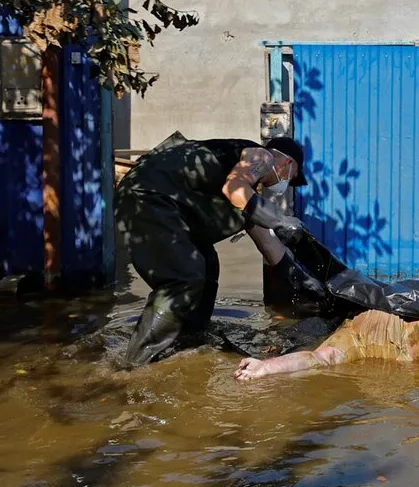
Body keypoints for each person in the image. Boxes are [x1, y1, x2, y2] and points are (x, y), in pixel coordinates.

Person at [115, 132, 310, 368]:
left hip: (164, 201)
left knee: (207, 264)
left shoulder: (248, 191)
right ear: (288, 163)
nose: (287, 183)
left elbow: (267, 243)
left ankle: (190, 338)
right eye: (294, 176)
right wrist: (281, 220)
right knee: (185, 277)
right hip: (146, 195)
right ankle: (134, 365)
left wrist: (303, 283)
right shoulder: (262, 156)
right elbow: (234, 188)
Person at [233, 309, 419, 380]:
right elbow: (320, 358)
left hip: (377, 337)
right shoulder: (358, 337)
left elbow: (320, 358)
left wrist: (265, 367)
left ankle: (264, 368)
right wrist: (265, 367)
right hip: (372, 333)